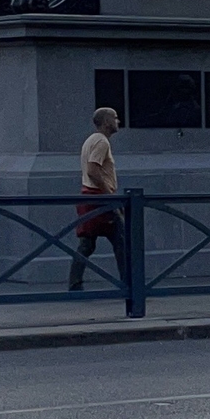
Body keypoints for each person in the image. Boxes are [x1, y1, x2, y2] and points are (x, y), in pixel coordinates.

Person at [67, 107, 127, 292]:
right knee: (121, 241)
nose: (118, 122)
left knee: (87, 243)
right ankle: (130, 285)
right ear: (107, 122)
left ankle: (75, 284)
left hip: (89, 196)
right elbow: (93, 170)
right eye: (115, 118)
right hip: (99, 198)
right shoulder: (102, 142)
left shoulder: (90, 140)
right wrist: (109, 195)